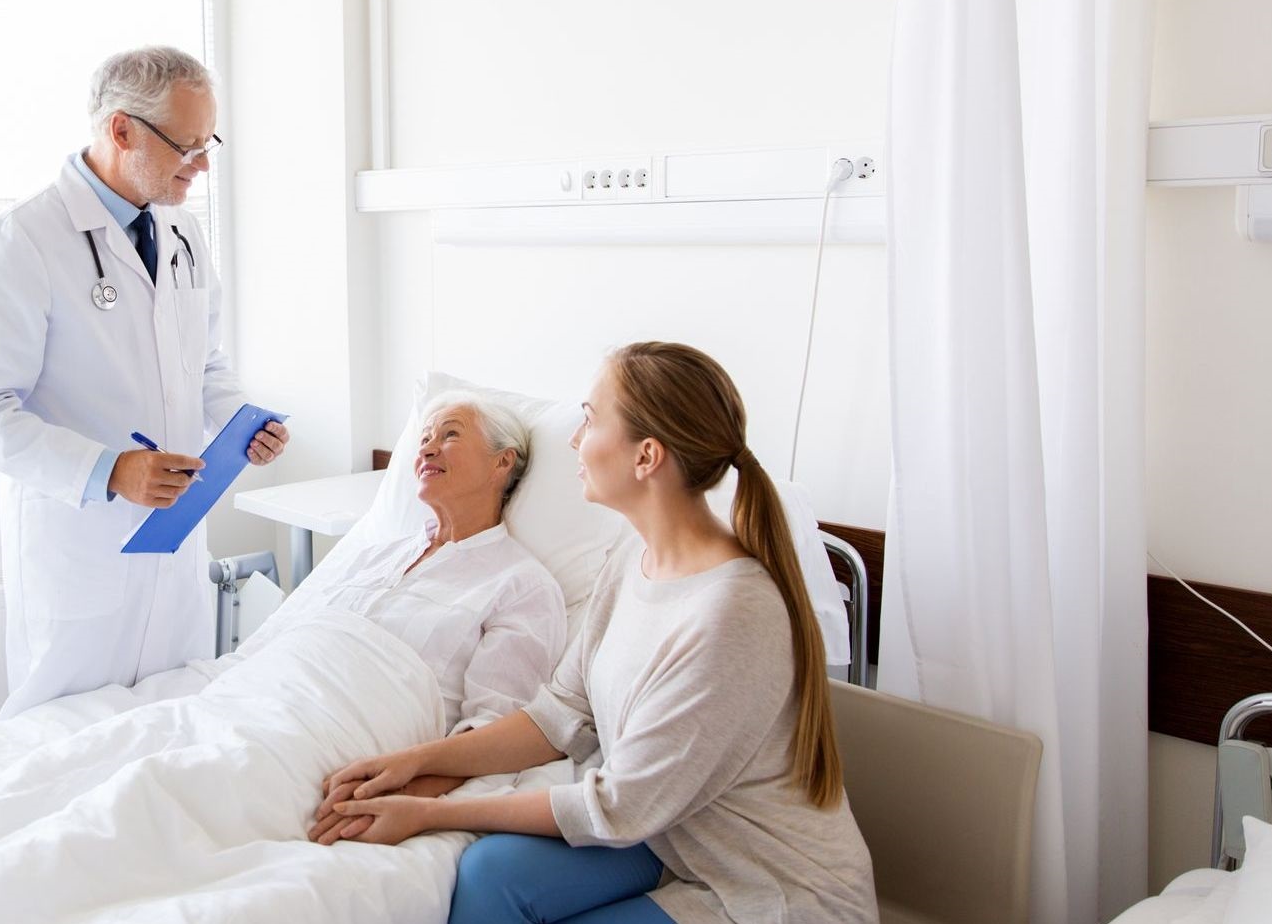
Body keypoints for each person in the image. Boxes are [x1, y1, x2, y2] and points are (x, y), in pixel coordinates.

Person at [310, 343, 877, 924]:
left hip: (766, 890)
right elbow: (561, 714)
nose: (576, 440)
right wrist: (412, 763)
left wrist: (429, 814)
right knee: (488, 876)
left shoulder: (733, 613)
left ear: (647, 456)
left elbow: (617, 807)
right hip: (674, 839)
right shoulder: (635, 558)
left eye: (590, 418)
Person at [0, 47, 288, 719]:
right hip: (82, 550)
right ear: (121, 130)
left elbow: (203, 364)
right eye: (185, 145)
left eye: (207, 141)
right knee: (58, 738)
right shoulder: (21, 242)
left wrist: (245, 419)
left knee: (169, 723)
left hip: (174, 543)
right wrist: (109, 471)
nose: (203, 163)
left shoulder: (183, 235)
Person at [241, 393, 566, 735]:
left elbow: (490, 730)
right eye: (424, 438)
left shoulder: (521, 586)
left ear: (502, 462)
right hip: (264, 698)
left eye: (450, 435)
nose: (426, 448)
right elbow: (283, 637)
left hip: (337, 732)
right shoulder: (374, 555)